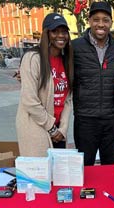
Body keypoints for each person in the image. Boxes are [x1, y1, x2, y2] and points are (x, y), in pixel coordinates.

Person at [16, 13, 73, 156]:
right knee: (40, 174)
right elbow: (29, 100)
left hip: (58, 129)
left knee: (58, 174)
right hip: (37, 127)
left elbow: (67, 99)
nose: (61, 35)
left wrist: (63, 129)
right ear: (46, 34)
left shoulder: (66, 60)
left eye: (64, 31)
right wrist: (51, 128)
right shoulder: (33, 58)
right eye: (55, 31)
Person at [72, 2, 114, 165]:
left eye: (105, 20)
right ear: (89, 21)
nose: (101, 24)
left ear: (111, 23)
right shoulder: (75, 46)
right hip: (85, 120)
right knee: (85, 168)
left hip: (111, 120)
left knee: (109, 167)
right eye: (96, 19)